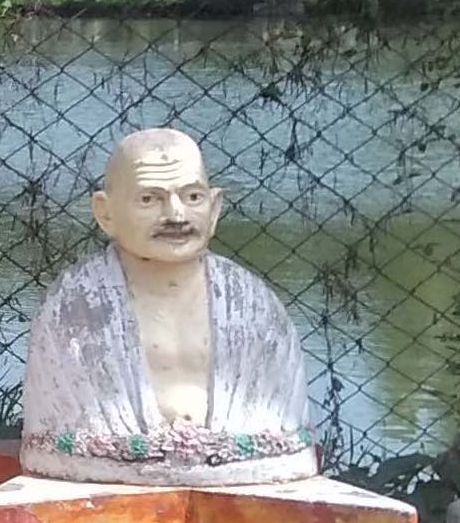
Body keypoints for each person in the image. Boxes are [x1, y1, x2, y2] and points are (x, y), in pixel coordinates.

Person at [17, 127, 314, 486]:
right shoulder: (75, 307)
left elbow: (285, 442)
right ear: (105, 213)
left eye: (192, 197)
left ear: (215, 207)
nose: (176, 215)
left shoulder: (253, 306)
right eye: (149, 199)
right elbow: (57, 435)